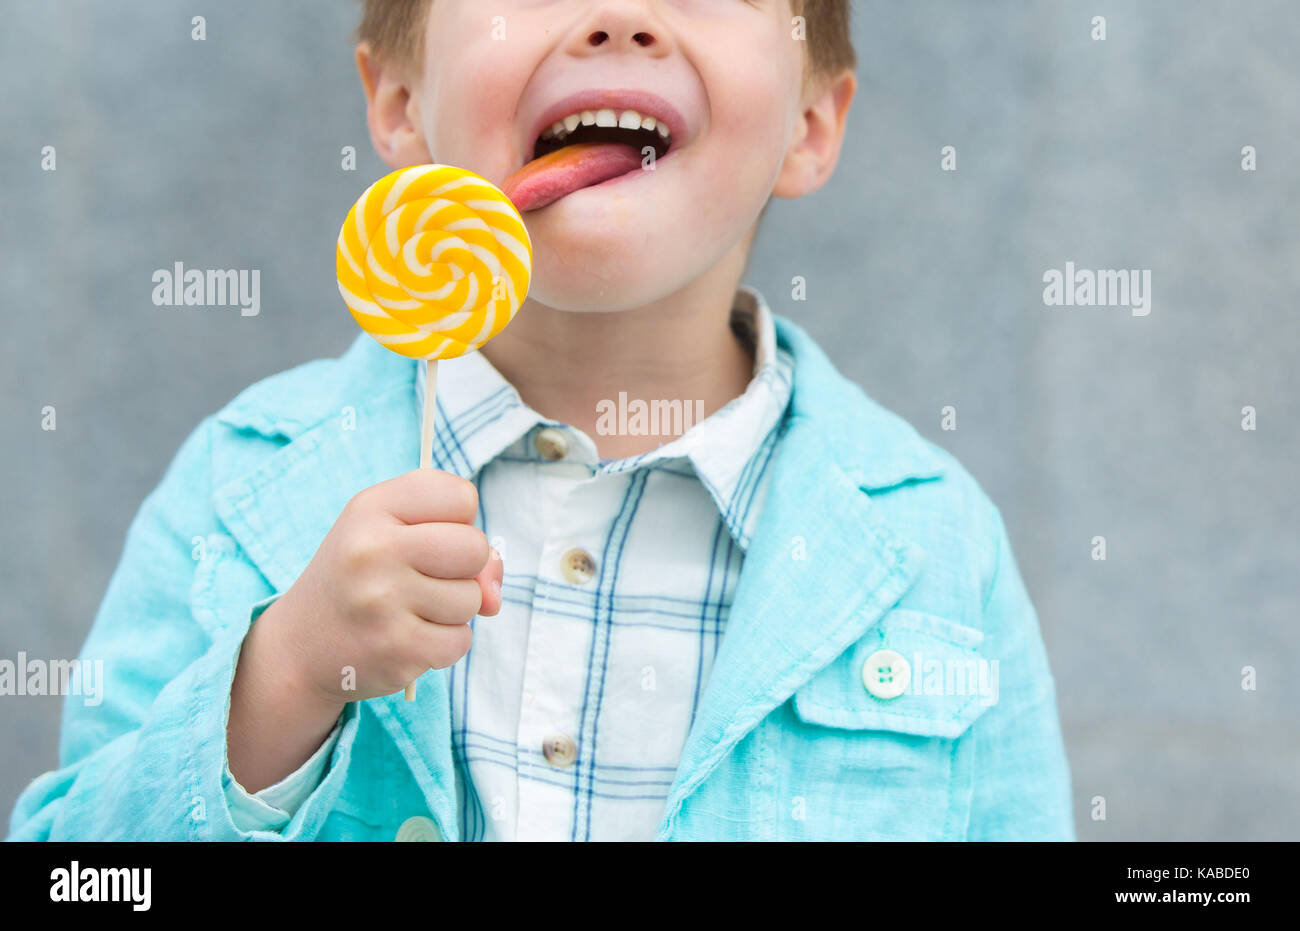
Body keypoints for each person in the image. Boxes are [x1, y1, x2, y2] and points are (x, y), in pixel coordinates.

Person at [8, 0, 1073, 841]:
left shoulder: (934, 547)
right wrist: (283, 679)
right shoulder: (242, 487)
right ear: (398, 103)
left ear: (809, 126)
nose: (620, 17)